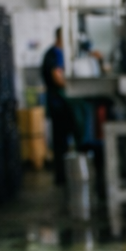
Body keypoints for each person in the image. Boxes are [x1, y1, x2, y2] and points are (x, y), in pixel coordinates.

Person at [41, 27, 77, 186]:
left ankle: (67, 174)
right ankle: (62, 177)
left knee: (66, 141)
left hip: (63, 104)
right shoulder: (53, 54)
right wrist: (74, 86)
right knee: (60, 142)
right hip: (58, 104)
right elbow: (57, 77)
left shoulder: (61, 53)